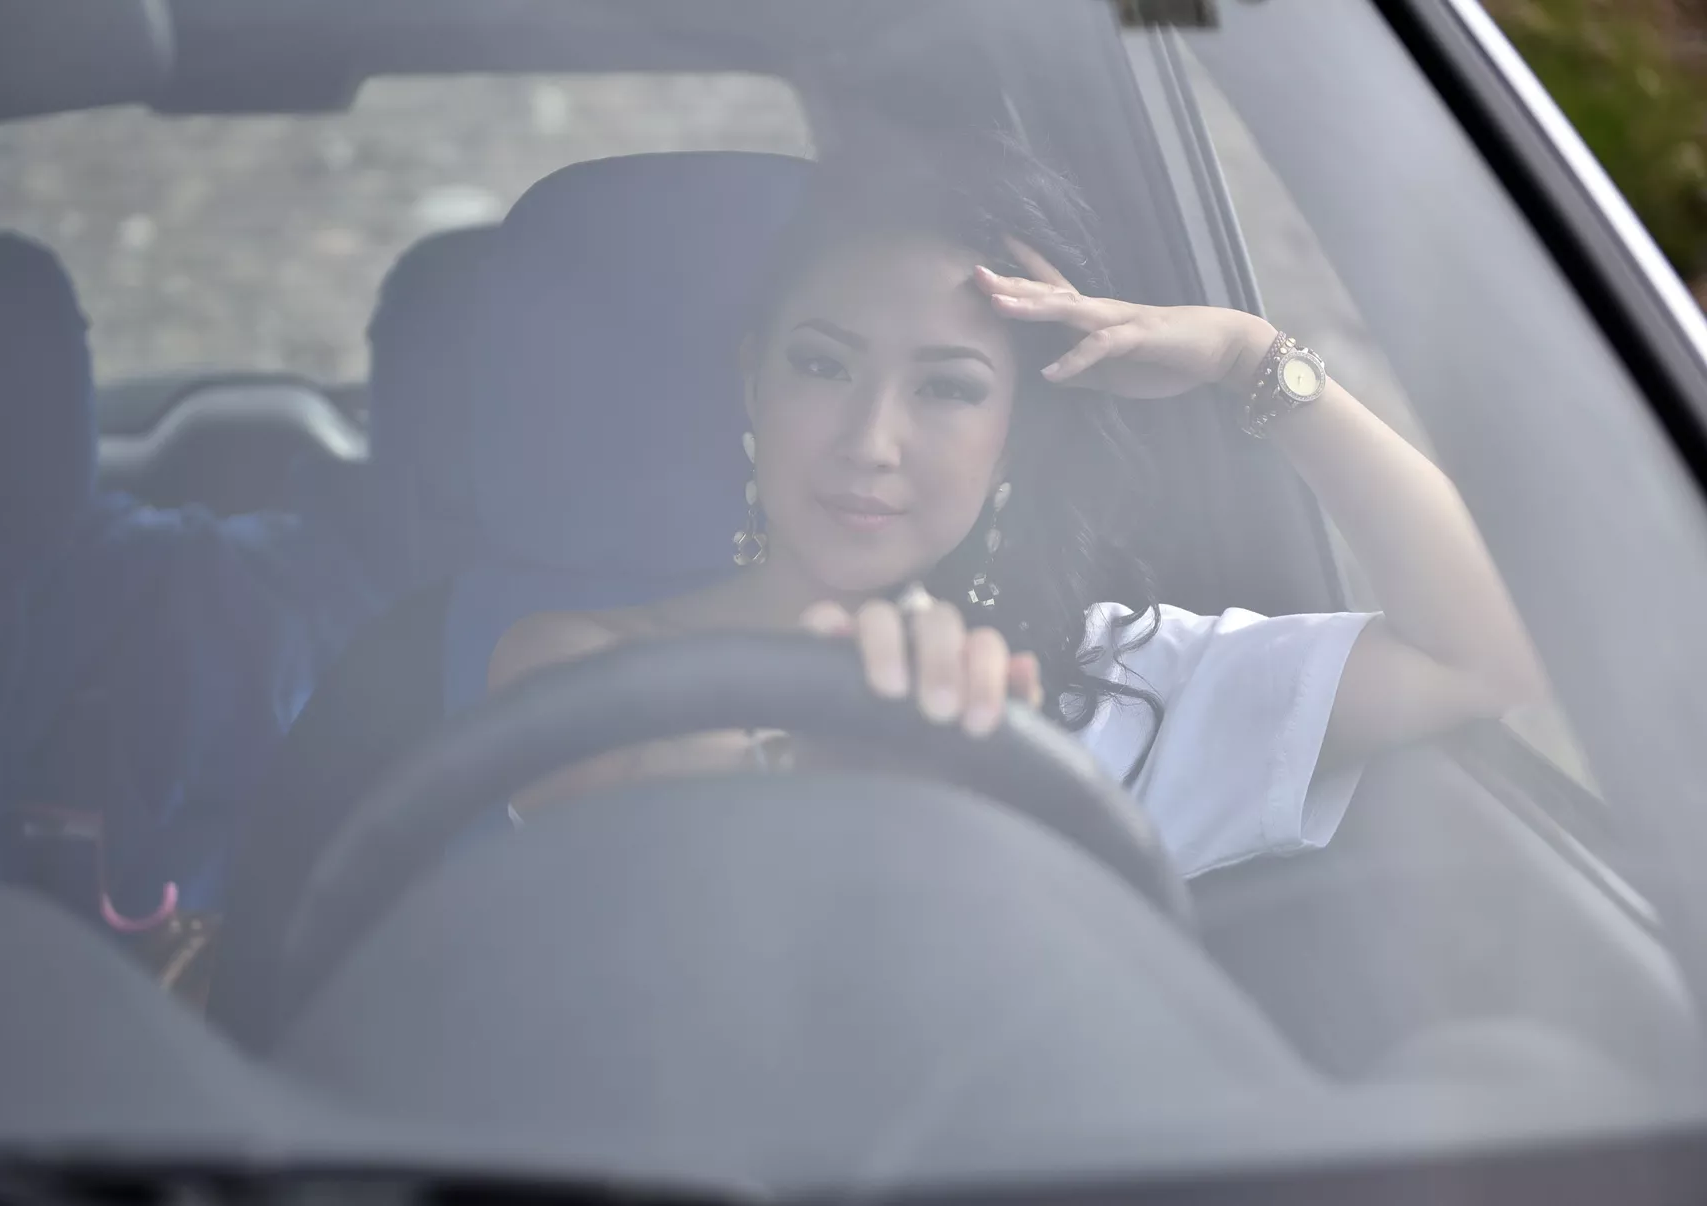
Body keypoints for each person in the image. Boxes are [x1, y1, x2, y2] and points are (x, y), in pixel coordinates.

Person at [487, 133, 1546, 877]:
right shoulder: (587, 662)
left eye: (947, 389)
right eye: (822, 366)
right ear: (752, 380)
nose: (870, 441)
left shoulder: (1122, 687)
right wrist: (829, 761)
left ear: (1018, 435)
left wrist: (1249, 356)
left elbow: (1487, 653)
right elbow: (628, 814)